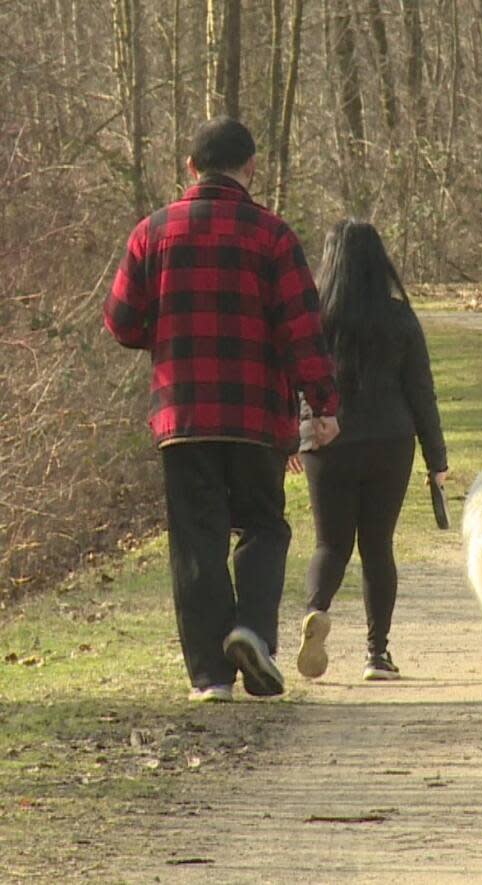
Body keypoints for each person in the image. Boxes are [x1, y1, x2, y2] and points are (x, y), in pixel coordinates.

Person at [104, 117, 340, 703]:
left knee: (196, 537)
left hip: (181, 416)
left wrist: (167, 334)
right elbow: (302, 332)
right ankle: (252, 631)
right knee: (263, 524)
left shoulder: (151, 233)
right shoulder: (273, 235)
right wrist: (324, 403)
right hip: (257, 416)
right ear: (250, 166)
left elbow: (120, 322)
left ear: (190, 166)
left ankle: (211, 675)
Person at [292, 220, 448, 682]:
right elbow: (422, 391)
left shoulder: (315, 317)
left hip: (326, 442)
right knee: (377, 546)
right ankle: (377, 655)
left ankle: (316, 611)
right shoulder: (399, 317)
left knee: (330, 543)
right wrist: (436, 459)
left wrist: (292, 435)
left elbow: (292, 377)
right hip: (389, 441)